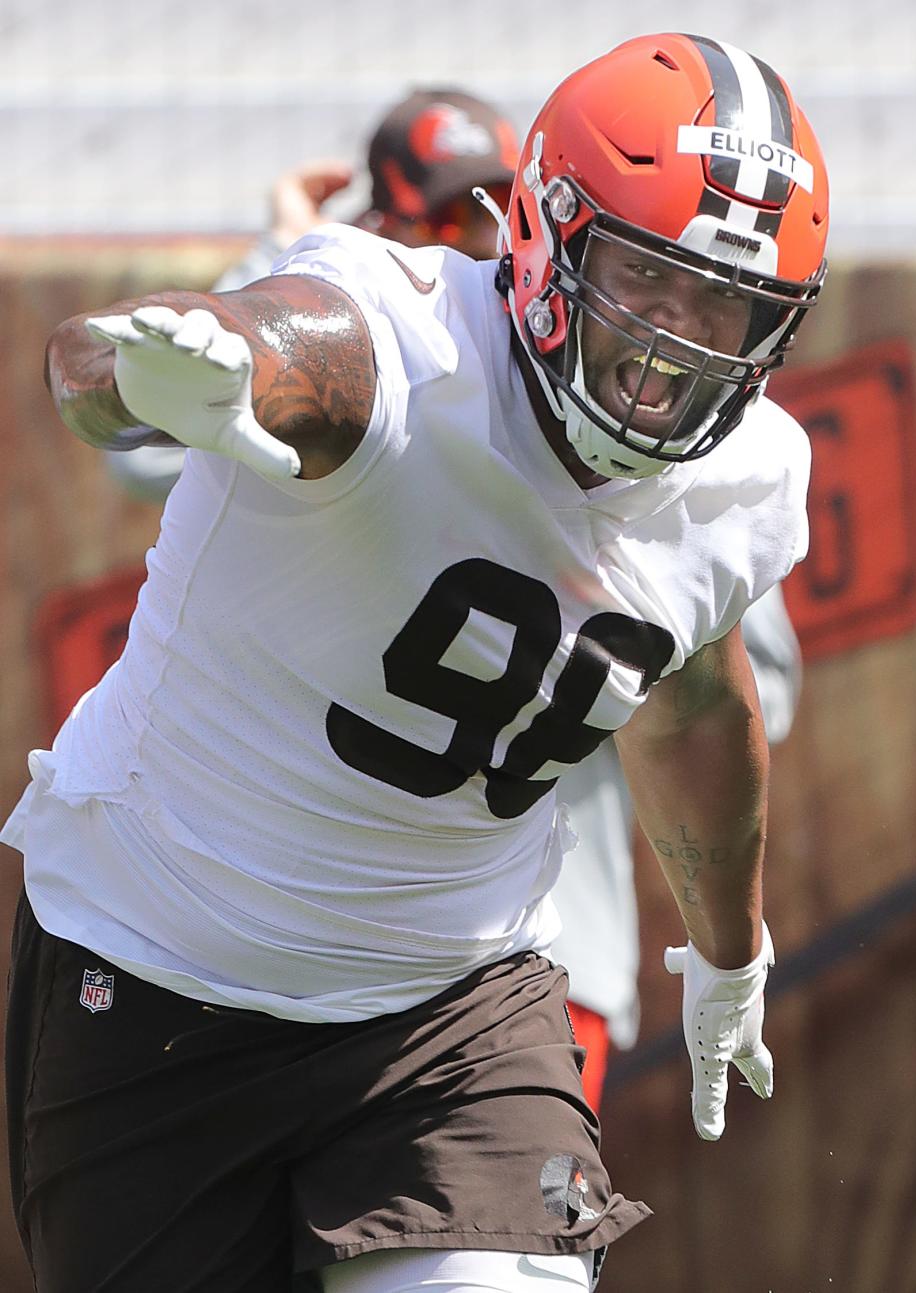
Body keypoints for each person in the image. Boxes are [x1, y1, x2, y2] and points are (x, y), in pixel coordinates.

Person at [4, 32, 828, 1293]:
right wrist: (151, 372)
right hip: (162, 968)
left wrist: (731, 952)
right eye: (649, 285)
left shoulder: (748, 475)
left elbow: (693, 703)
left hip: (458, 1012)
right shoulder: (392, 340)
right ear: (547, 233)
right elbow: (122, 364)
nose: (677, 349)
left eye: (727, 308)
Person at [106, 87, 805, 1112]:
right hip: (254, 944)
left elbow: (739, 691)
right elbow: (152, 429)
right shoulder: (377, 341)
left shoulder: (710, 466)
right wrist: (278, 271)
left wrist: (565, 676)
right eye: (437, 219)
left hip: (532, 950)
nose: (468, 238)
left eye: (481, 208)